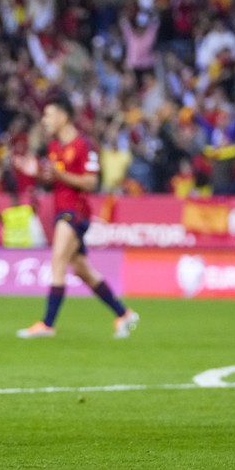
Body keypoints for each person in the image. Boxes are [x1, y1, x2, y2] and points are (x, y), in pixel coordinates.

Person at [17, 94, 139, 339]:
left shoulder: (84, 146)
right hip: (61, 210)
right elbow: (56, 179)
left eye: (49, 115)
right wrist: (38, 174)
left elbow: (91, 182)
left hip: (75, 213)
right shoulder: (53, 146)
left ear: (64, 116)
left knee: (57, 261)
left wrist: (59, 176)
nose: (45, 120)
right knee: (82, 270)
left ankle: (47, 324)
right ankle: (123, 314)